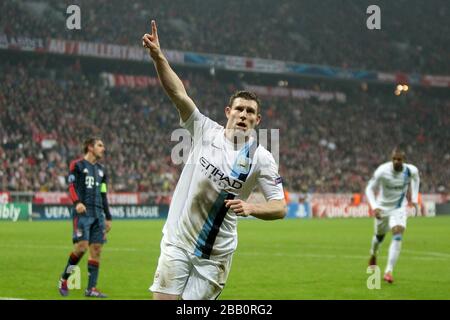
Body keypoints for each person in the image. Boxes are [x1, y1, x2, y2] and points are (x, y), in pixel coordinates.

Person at [142, 20, 286, 300]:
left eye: (250, 112)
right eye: (239, 109)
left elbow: (280, 207)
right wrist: (159, 57)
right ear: (228, 111)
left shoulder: (262, 158)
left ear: (258, 120)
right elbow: (177, 93)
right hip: (178, 242)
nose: (244, 115)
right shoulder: (205, 129)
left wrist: (251, 207)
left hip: (215, 256)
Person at [58, 138, 112, 297]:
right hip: (82, 214)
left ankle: (91, 289)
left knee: (96, 250)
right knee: (81, 247)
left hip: (98, 215)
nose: (104, 148)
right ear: (90, 147)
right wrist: (77, 203)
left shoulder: (102, 171)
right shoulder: (77, 165)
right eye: (100, 145)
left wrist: (108, 217)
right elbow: (71, 186)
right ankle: (64, 278)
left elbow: (103, 194)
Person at [366, 147, 420, 283]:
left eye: (399, 159)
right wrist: (375, 207)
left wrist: (413, 199)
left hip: (399, 208)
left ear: (404, 160)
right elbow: (369, 189)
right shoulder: (382, 171)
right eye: (394, 159)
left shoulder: (411, 170)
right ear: (391, 159)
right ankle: (373, 254)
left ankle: (388, 271)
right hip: (382, 208)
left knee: (397, 235)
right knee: (379, 237)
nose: (396, 161)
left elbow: (416, 179)